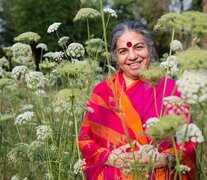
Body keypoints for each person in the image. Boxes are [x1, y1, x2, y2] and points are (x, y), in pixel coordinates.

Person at [78, 21, 196, 179]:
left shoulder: (171, 90)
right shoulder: (103, 92)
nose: (132, 56)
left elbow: (188, 141)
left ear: (149, 48)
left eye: (138, 47)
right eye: (123, 51)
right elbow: (85, 139)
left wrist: (161, 159)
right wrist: (111, 158)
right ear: (115, 56)